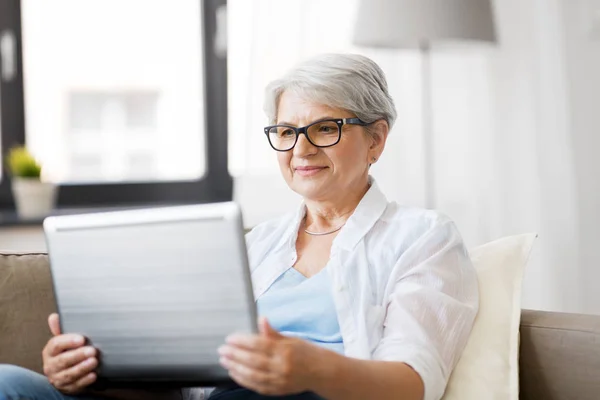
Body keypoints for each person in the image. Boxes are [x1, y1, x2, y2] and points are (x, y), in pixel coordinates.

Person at [0, 53, 478, 400]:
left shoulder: (422, 237)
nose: (302, 150)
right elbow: (186, 385)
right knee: (8, 383)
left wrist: (313, 368)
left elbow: (413, 384)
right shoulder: (255, 245)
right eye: (287, 131)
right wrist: (90, 370)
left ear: (377, 139)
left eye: (326, 128)